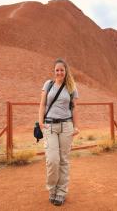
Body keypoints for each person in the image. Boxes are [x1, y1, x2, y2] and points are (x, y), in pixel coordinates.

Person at [39, 58, 79, 206]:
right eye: (57, 70)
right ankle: (52, 189)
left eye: (62, 70)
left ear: (65, 71)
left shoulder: (71, 87)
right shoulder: (48, 85)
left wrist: (76, 127)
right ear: (54, 71)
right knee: (52, 160)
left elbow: (74, 108)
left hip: (66, 126)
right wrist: (41, 123)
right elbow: (42, 104)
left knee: (63, 161)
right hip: (49, 126)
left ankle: (61, 192)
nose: (59, 72)